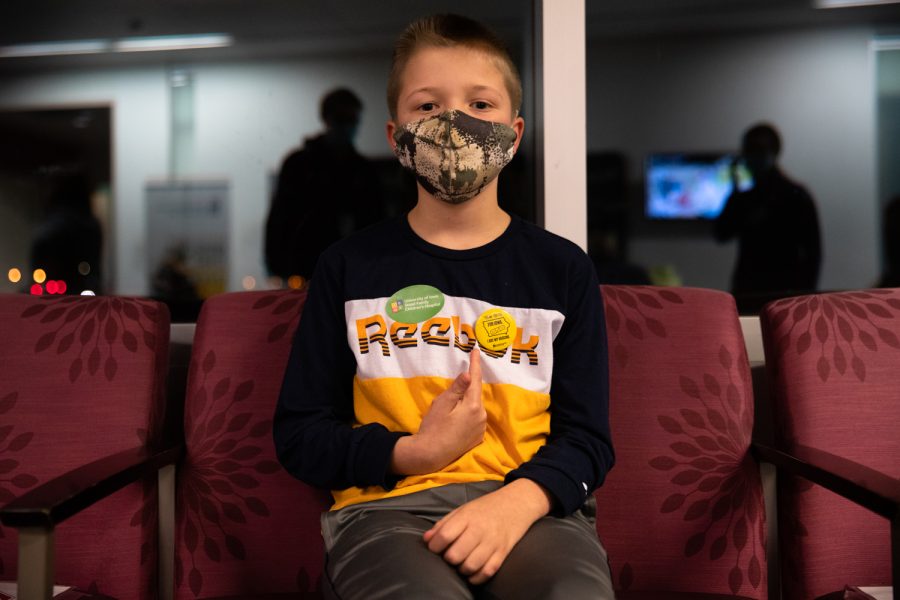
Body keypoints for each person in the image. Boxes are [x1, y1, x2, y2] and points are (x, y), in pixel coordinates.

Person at [274, 14, 614, 600]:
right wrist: (415, 452)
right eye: (427, 107)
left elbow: (589, 442)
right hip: (385, 516)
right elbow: (301, 435)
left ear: (513, 131)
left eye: (480, 105)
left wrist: (516, 504)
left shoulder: (563, 270)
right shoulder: (349, 267)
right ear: (393, 135)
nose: (454, 123)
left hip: (533, 513)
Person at [265, 87, 385, 284]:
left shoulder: (363, 171)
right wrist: (280, 268)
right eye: (341, 119)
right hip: (306, 271)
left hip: (351, 270)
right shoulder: (300, 166)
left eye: (352, 120)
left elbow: (374, 221)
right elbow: (280, 217)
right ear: (327, 119)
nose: (347, 127)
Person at [714, 123, 821, 296]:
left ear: (774, 151)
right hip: (753, 289)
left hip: (782, 290)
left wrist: (805, 295)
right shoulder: (746, 197)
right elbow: (721, 232)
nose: (751, 157)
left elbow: (813, 254)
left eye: (758, 150)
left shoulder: (795, 196)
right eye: (748, 150)